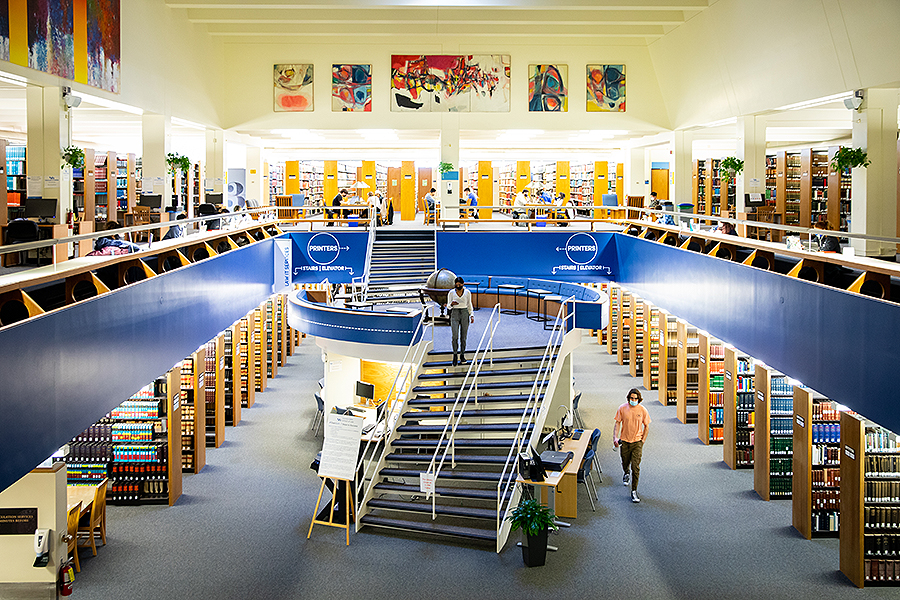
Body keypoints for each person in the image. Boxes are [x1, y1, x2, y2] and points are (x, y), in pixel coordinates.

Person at [613, 388, 651, 503]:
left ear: (639, 399)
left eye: (635, 399)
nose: (633, 400)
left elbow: (647, 426)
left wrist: (643, 440)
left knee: (636, 467)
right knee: (625, 461)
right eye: (631, 398)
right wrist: (615, 437)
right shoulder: (622, 408)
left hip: (637, 442)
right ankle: (626, 472)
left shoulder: (642, 410)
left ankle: (634, 491)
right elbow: (617, 423)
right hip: (624, 441)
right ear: (628, 398)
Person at [445, 276, 475, 366]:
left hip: (464, 313)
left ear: (463, 284)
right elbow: (448, 306)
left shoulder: (467, 292)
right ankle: (455, 354)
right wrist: (451, 304)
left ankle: (462, 354)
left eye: (460, 284)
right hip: (455, 313)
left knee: (463, 336)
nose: (458, 286)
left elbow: (469, 304)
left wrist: (471, 315)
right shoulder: (451, 293)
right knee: (455, 336)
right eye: (456, 285)